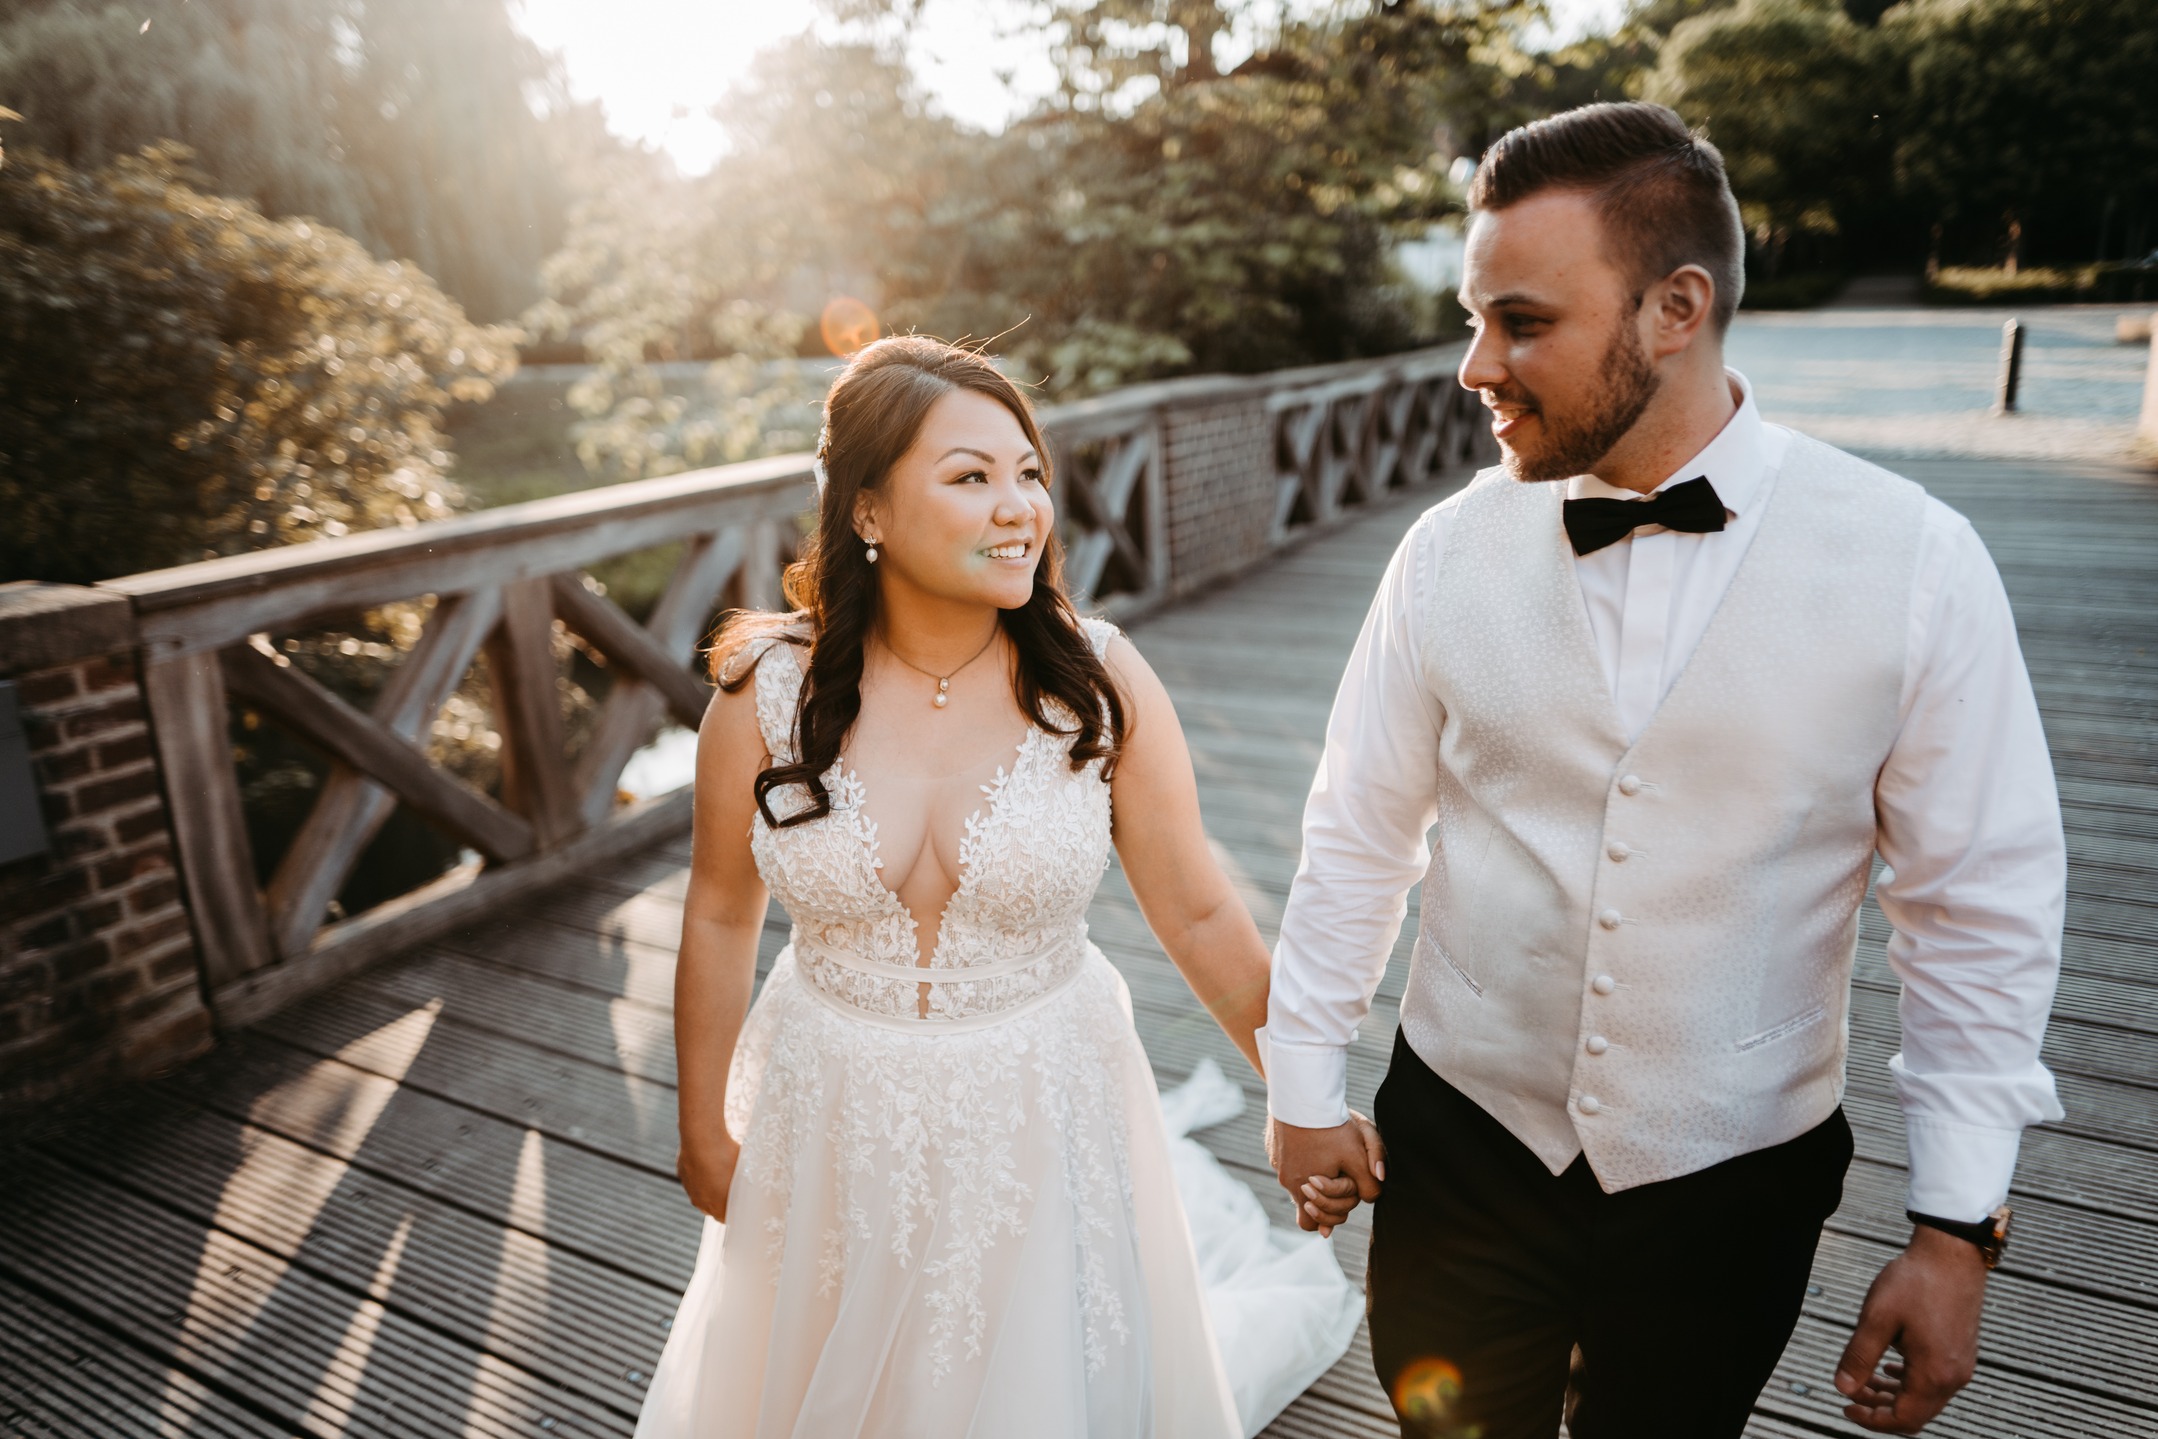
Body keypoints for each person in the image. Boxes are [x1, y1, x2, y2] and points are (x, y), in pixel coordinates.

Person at [1263, 102, 2066, 1439]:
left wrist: (1952, 1228)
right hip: (1464, 1139)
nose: (1474, 365)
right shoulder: (1441, 553)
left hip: (1731, 1173)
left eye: (1521, 322)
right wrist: (1300, 1077)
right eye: (1475, 318)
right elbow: (1355, 828)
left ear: (1673, 307)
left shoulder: (1915, 564)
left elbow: (1975, 910)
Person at [634, 335, 1372, 1438]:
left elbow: (1201, 909)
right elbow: (719, 907)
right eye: (970, 476)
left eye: (1028, 472)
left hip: (1042, 1098)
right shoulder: (763, 695)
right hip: (829, 1102)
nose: (1018, 505)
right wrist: (702, 1127)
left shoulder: (1098, 680)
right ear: (869, 512)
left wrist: (1302, 1093)